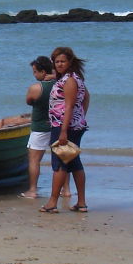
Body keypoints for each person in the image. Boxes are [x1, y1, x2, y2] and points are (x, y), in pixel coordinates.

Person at [39, 47, 89, 214]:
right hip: (72, 124)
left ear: (70, 62)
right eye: (56, 61)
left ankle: (52, 202)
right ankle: (81, 203)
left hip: (65, 127)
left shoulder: (69, 81)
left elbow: (68, 106)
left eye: (63, 61)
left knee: (59, 164)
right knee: (74, 163)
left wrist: (63, 131)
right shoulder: (73, 78)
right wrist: (80, 117)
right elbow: (86, 97)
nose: (59, 64)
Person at [20, 55, 71, 200]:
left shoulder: (36, 88)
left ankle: (32, 190)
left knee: (34, 160)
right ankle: (66, 190)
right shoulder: (61, 84)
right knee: (63, 158)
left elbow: (29, 101)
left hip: (40, 127)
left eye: (36, 72)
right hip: (57, 126)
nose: (34, 75)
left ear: (43, 72)